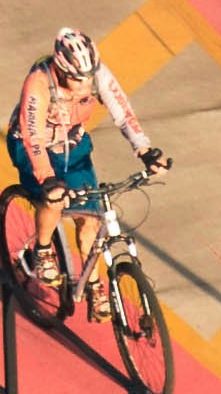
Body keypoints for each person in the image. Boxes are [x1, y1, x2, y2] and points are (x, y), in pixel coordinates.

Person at [9, 22, 158, 291]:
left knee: (90, 217)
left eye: (88, 78)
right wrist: (47, 178)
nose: (85, 85)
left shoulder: (94, 74)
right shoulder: (39, 83)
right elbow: (33, 135)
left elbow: (122, 112)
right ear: (61, 70)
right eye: (77, 80)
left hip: (72, 144)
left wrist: (145, 150)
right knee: (53, 200)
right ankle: (42, 252)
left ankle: (93, 284)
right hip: (33, 147)